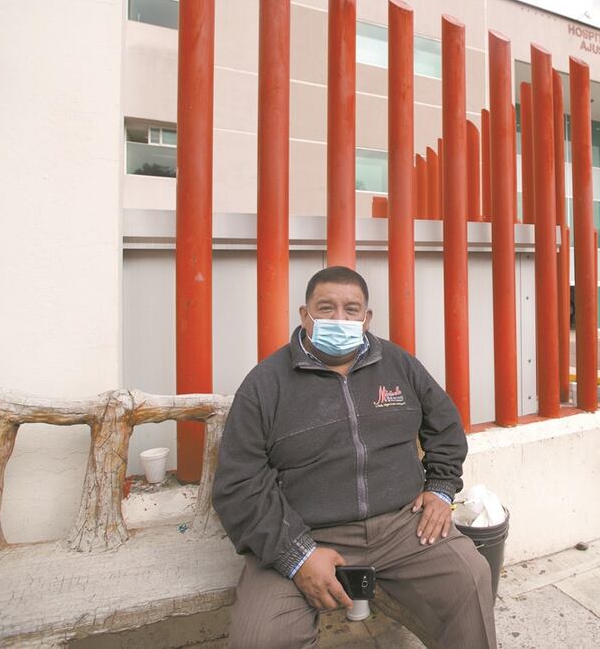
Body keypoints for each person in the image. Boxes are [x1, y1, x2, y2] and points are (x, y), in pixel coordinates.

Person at [213, 266, 497, 648]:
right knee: (261, 637)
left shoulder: (399, 365)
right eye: (326, 308)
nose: (339, 319)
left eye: (351, 309)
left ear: (367, 318)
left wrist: (442, 489)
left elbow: (445, 426)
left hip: (402, 526)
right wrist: (297, 557)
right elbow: (238, 483)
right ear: (304, 315)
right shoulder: (266, 384)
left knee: (470, 578)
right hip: (303, 533)